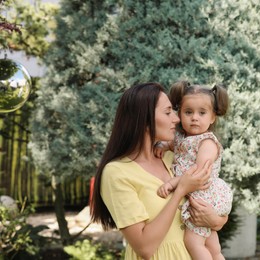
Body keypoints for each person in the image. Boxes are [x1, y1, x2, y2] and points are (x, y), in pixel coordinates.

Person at [90, 82, 228, 260]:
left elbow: (211, 204)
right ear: (145, 120)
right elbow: (145, 248)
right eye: (168, 112)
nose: (176, 119)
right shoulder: (117, 173)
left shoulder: (174, 158)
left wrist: (216, 221)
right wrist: (180, 191)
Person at [154, 81, 233, 260]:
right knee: (212, 246)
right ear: (180, 113)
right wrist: (164, 146)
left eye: (202, 113)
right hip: (198, 195)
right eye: (188, 112)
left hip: (205, 196)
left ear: (213, 117)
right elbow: (175, 145)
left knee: (193, 242)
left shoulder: (207, 142)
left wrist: (173, 182)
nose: (194, 118)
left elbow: (198, 172)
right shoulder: (183, 138)